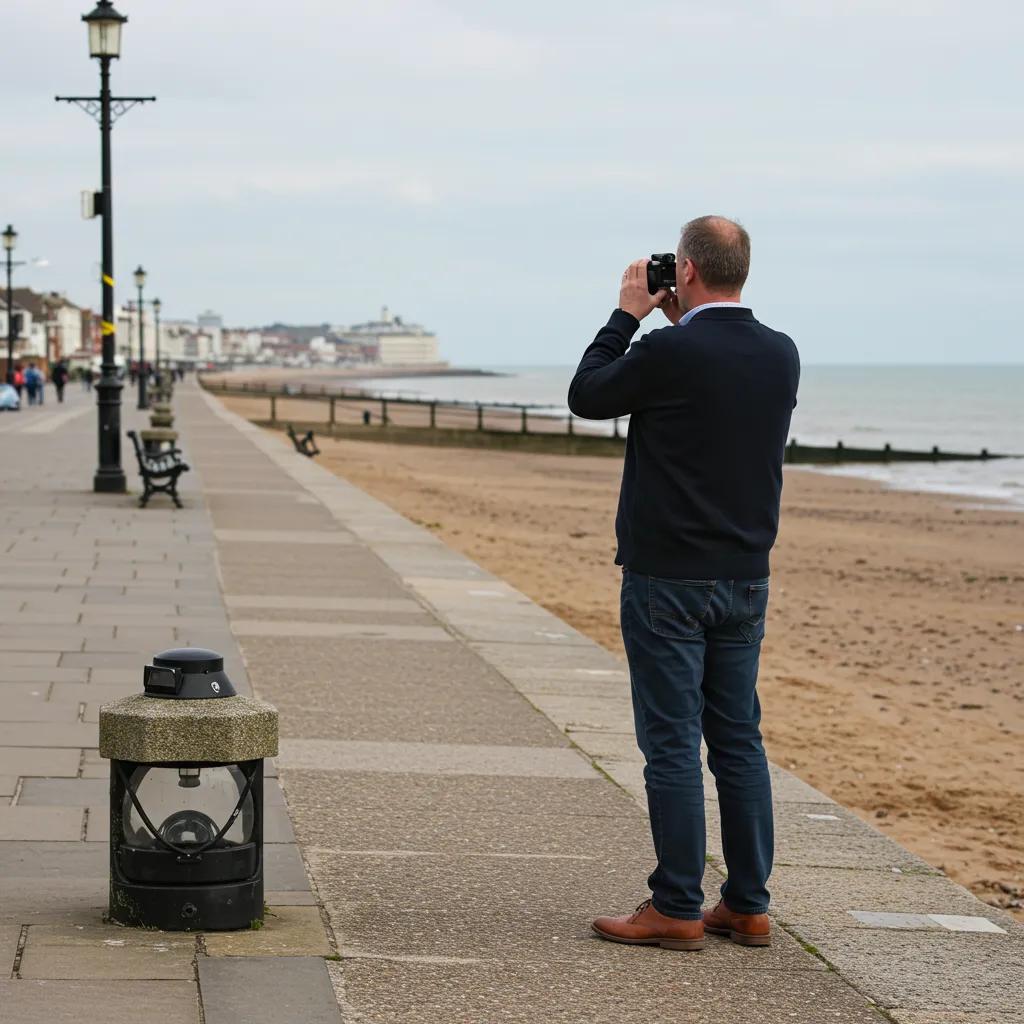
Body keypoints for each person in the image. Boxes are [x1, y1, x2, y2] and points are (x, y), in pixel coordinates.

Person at [568, 216, 800, 952]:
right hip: (744, 578)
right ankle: (748, 904)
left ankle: (675, 906)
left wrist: (627, 315)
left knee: (671, 744)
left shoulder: (667, 349)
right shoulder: (781, 353)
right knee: (737, 741)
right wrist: (678, 321)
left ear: (687, 271)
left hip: (668, 578)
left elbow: (588, 393)